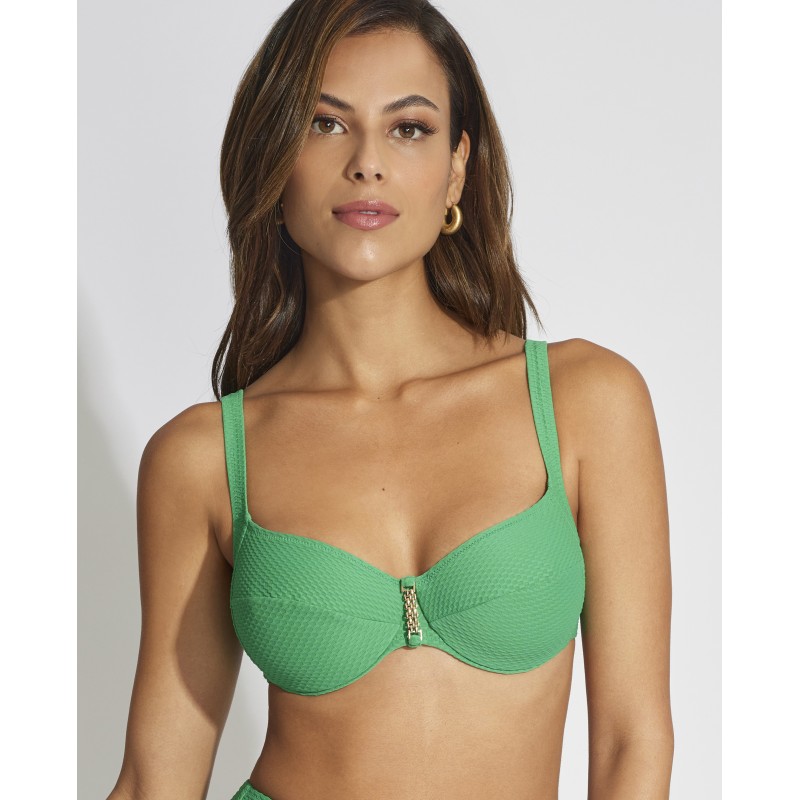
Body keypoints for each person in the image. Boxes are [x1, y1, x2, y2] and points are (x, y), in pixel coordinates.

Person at [107, 1, 674, 798]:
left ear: (457, 168)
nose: (367, 162)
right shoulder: (202, 459)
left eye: (408, 128)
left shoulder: (587, 403)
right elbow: (154, 780)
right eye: (325, 124)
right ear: (275, 160)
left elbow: (631, 742)